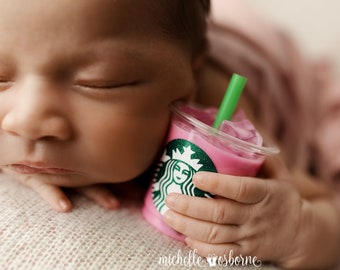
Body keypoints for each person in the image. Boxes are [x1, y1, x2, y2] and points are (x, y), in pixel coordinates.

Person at [0, 0, 339, 269]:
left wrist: (297, 230)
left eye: (98, 83)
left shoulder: (223, 120)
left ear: (187, 83)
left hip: (289, 77)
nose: (27, 121)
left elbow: (326, 217)